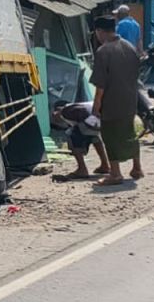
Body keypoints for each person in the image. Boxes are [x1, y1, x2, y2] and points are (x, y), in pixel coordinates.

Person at [90, 16, 144, 186]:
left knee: (110, 136)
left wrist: (96, 106)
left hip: (112, 101)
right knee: (130, 133)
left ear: (99, 32)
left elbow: (100, 86)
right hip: (130, 98)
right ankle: (137, 167)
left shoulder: (103, 52)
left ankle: (115, 174)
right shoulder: (129, 46)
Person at [51, 102, 110, 181]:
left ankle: (82, 169)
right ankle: (105, 165)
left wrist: (80, 146)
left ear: (58, 109)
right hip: (100, 121)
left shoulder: (66, 110)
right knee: (94, 137)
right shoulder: (80, 105)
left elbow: (81, 115)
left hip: (90, 120)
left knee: (71, 136)